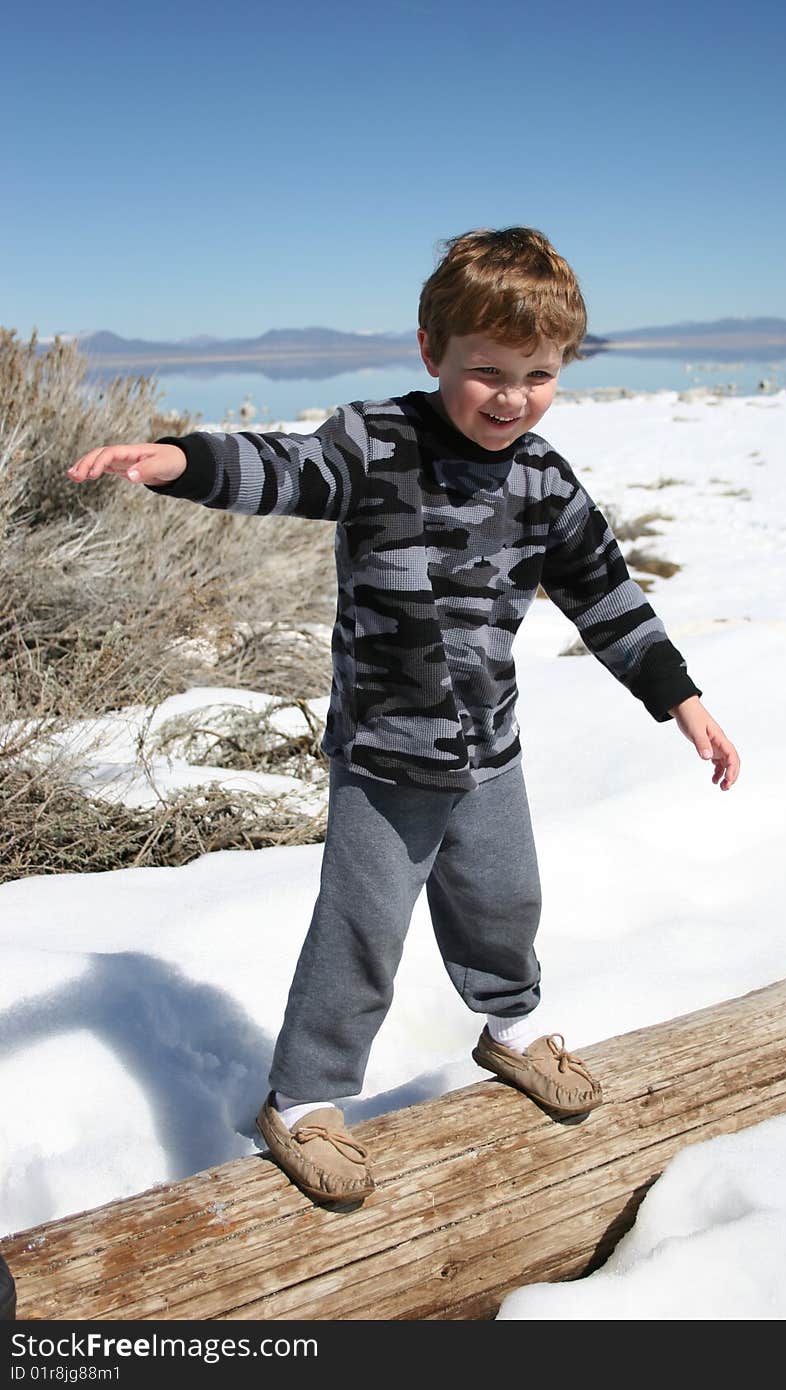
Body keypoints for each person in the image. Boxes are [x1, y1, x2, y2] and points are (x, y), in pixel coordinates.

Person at [67, 227, 740, 1206]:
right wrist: (182, 457)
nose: (512, 396)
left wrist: (678, 695)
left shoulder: (544, 479)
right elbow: (282, 468)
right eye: (488, 371)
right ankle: (301, 1098)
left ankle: (508, 1026)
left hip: (489, 748)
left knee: (506, 899)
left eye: (539, 373)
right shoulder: (374, 444)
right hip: (387, 755)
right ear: (433, 352)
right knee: (364, 929)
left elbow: (605, 592)